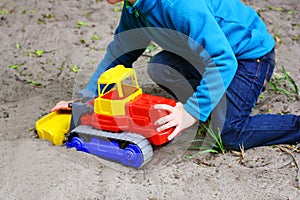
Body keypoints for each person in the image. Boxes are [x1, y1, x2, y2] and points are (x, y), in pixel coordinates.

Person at [52, 0, 300, 151]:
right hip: (208, 57)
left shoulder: (179, 4)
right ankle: (217, 99)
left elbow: (223, 59)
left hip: (248, 57)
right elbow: (120, 53)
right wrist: (85, 99)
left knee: (227, 133)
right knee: (160, 65)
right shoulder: (135, 8)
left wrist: (191, 112)